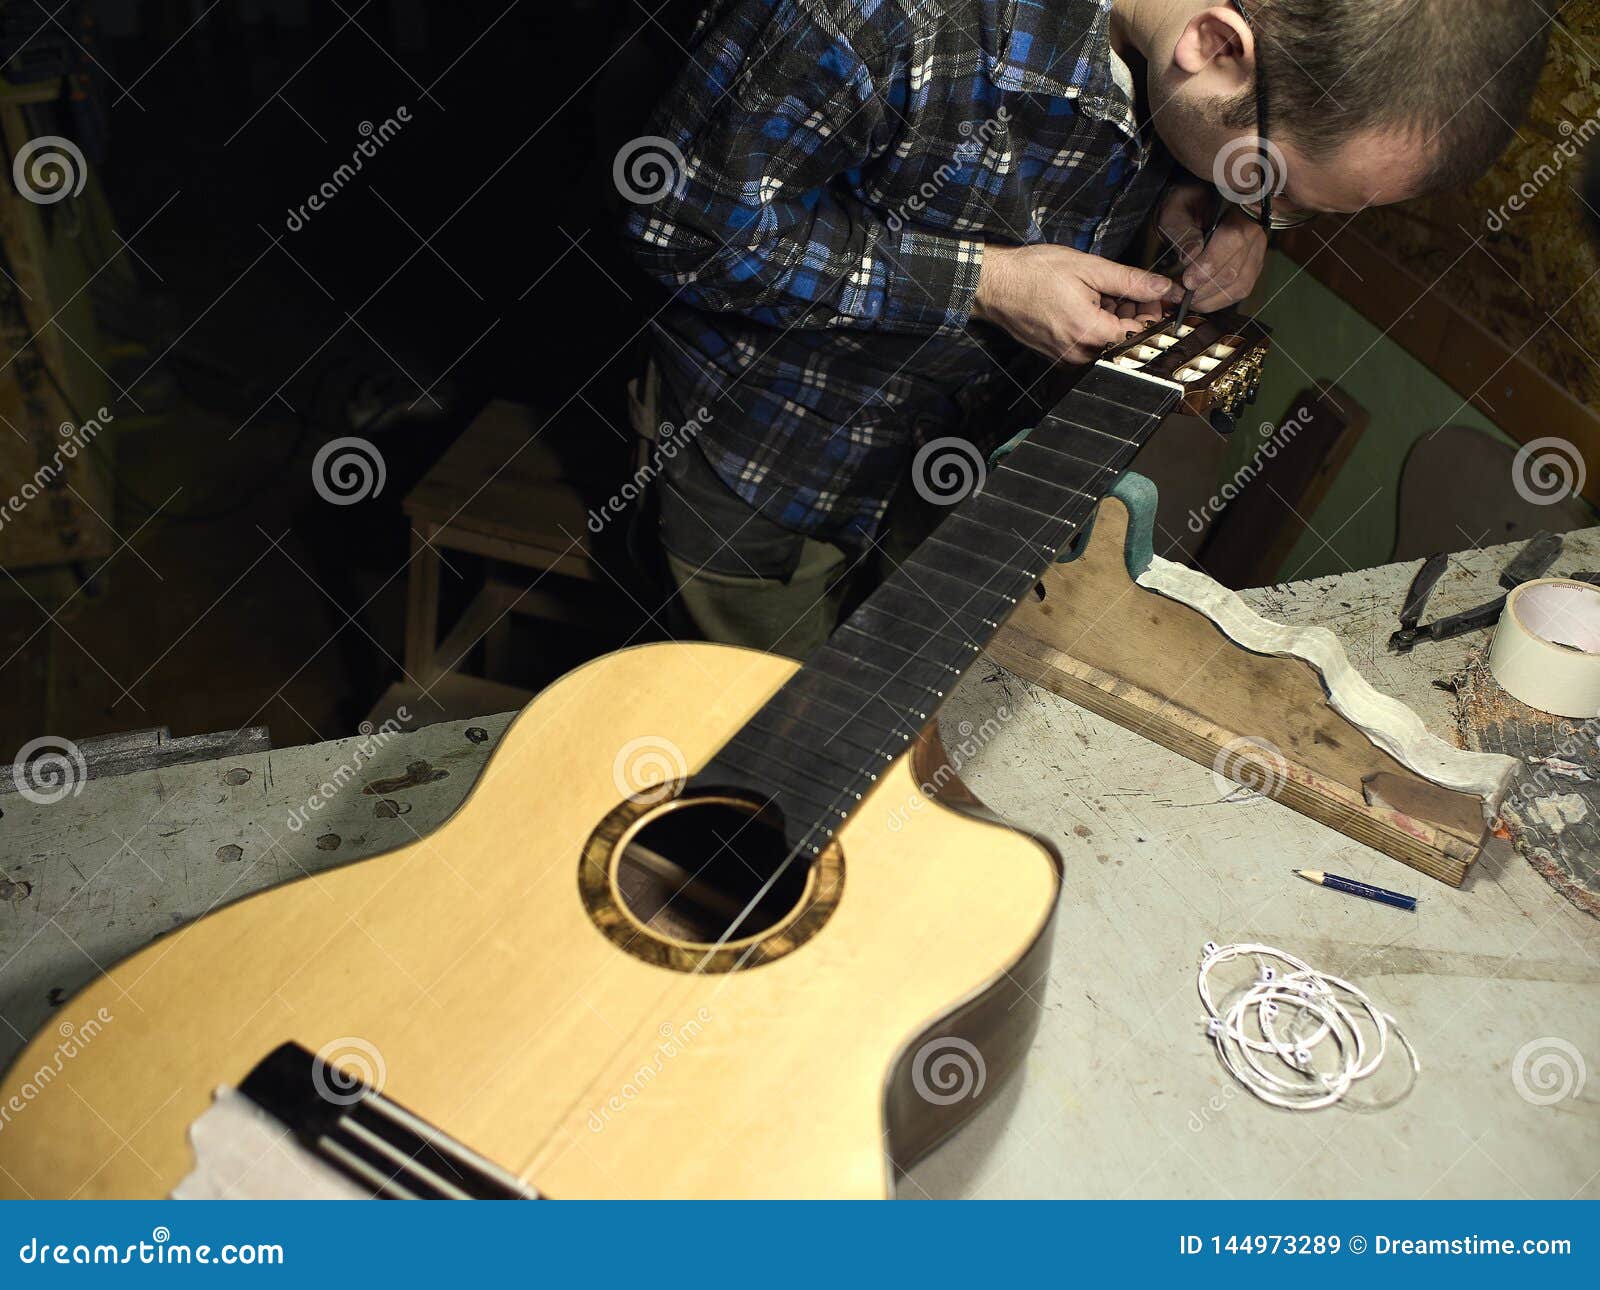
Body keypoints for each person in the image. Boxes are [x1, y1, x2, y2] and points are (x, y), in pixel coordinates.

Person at [620, 0, 1550, 657]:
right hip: (765, 461)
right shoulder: (882, 17)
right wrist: (985, 283)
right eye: (1271, 187)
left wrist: (1209, 210)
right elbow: (682, 224)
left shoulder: (1202, 68)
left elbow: (1131, 142)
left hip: (959, 469)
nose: (1265, 214)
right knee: (769, 768)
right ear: (1214, 43)